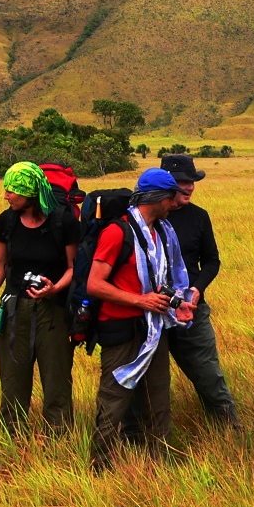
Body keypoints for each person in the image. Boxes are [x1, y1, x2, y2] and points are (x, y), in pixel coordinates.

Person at [86, 167, 196, 470]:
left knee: (158, 399)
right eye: (171, 197)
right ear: (157, 197)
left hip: (154, 328)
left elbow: (158, 281)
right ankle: (101, 466)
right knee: (113, 400)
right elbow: (94, 284)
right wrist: (140, 301)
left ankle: (161, 462)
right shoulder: (116, 232)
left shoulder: (161, 232)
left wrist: (177, 305)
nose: (175, 203)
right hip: (121, 329)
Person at [0, 162, 80, 435]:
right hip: (15, 310)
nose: (6, 196)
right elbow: (0, 266)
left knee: (57, 382)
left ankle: (59, 440)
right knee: (13, 383)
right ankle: (12, 440)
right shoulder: (8, 220)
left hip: (53, 311)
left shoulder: (63, 221)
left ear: (30, 192)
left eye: (12, 191)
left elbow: (74, 269)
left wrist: (54, 289)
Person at [156, 152, 239, 427]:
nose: (190, 186)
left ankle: (229, 432)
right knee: (153, 380)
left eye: (192, 181)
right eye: (183, 181)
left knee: (209, 375)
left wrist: (197, 289)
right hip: (153, 310)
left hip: (191, 310)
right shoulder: (149, 218)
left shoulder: (199, 217)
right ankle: (149, 438)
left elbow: (212, 260)